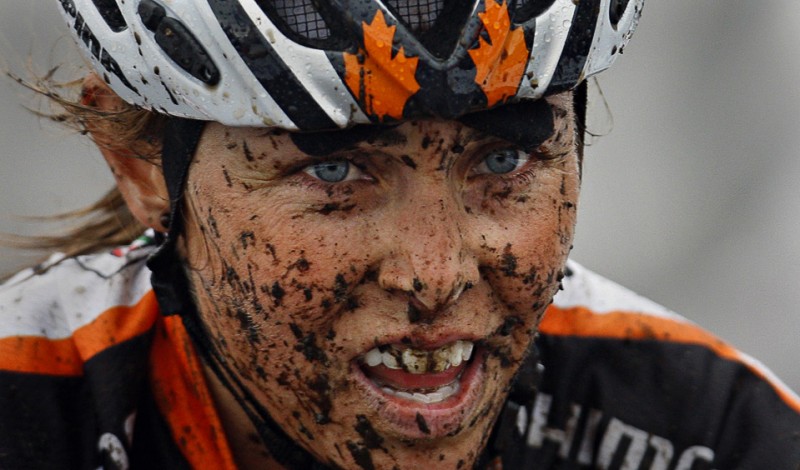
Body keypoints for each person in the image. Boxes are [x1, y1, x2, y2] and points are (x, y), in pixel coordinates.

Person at [0, 0, 798, 469]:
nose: (435, 274)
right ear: (141, 167)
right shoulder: (26, 403)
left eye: (506, 158)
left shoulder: (717, 434)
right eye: (335, 173)